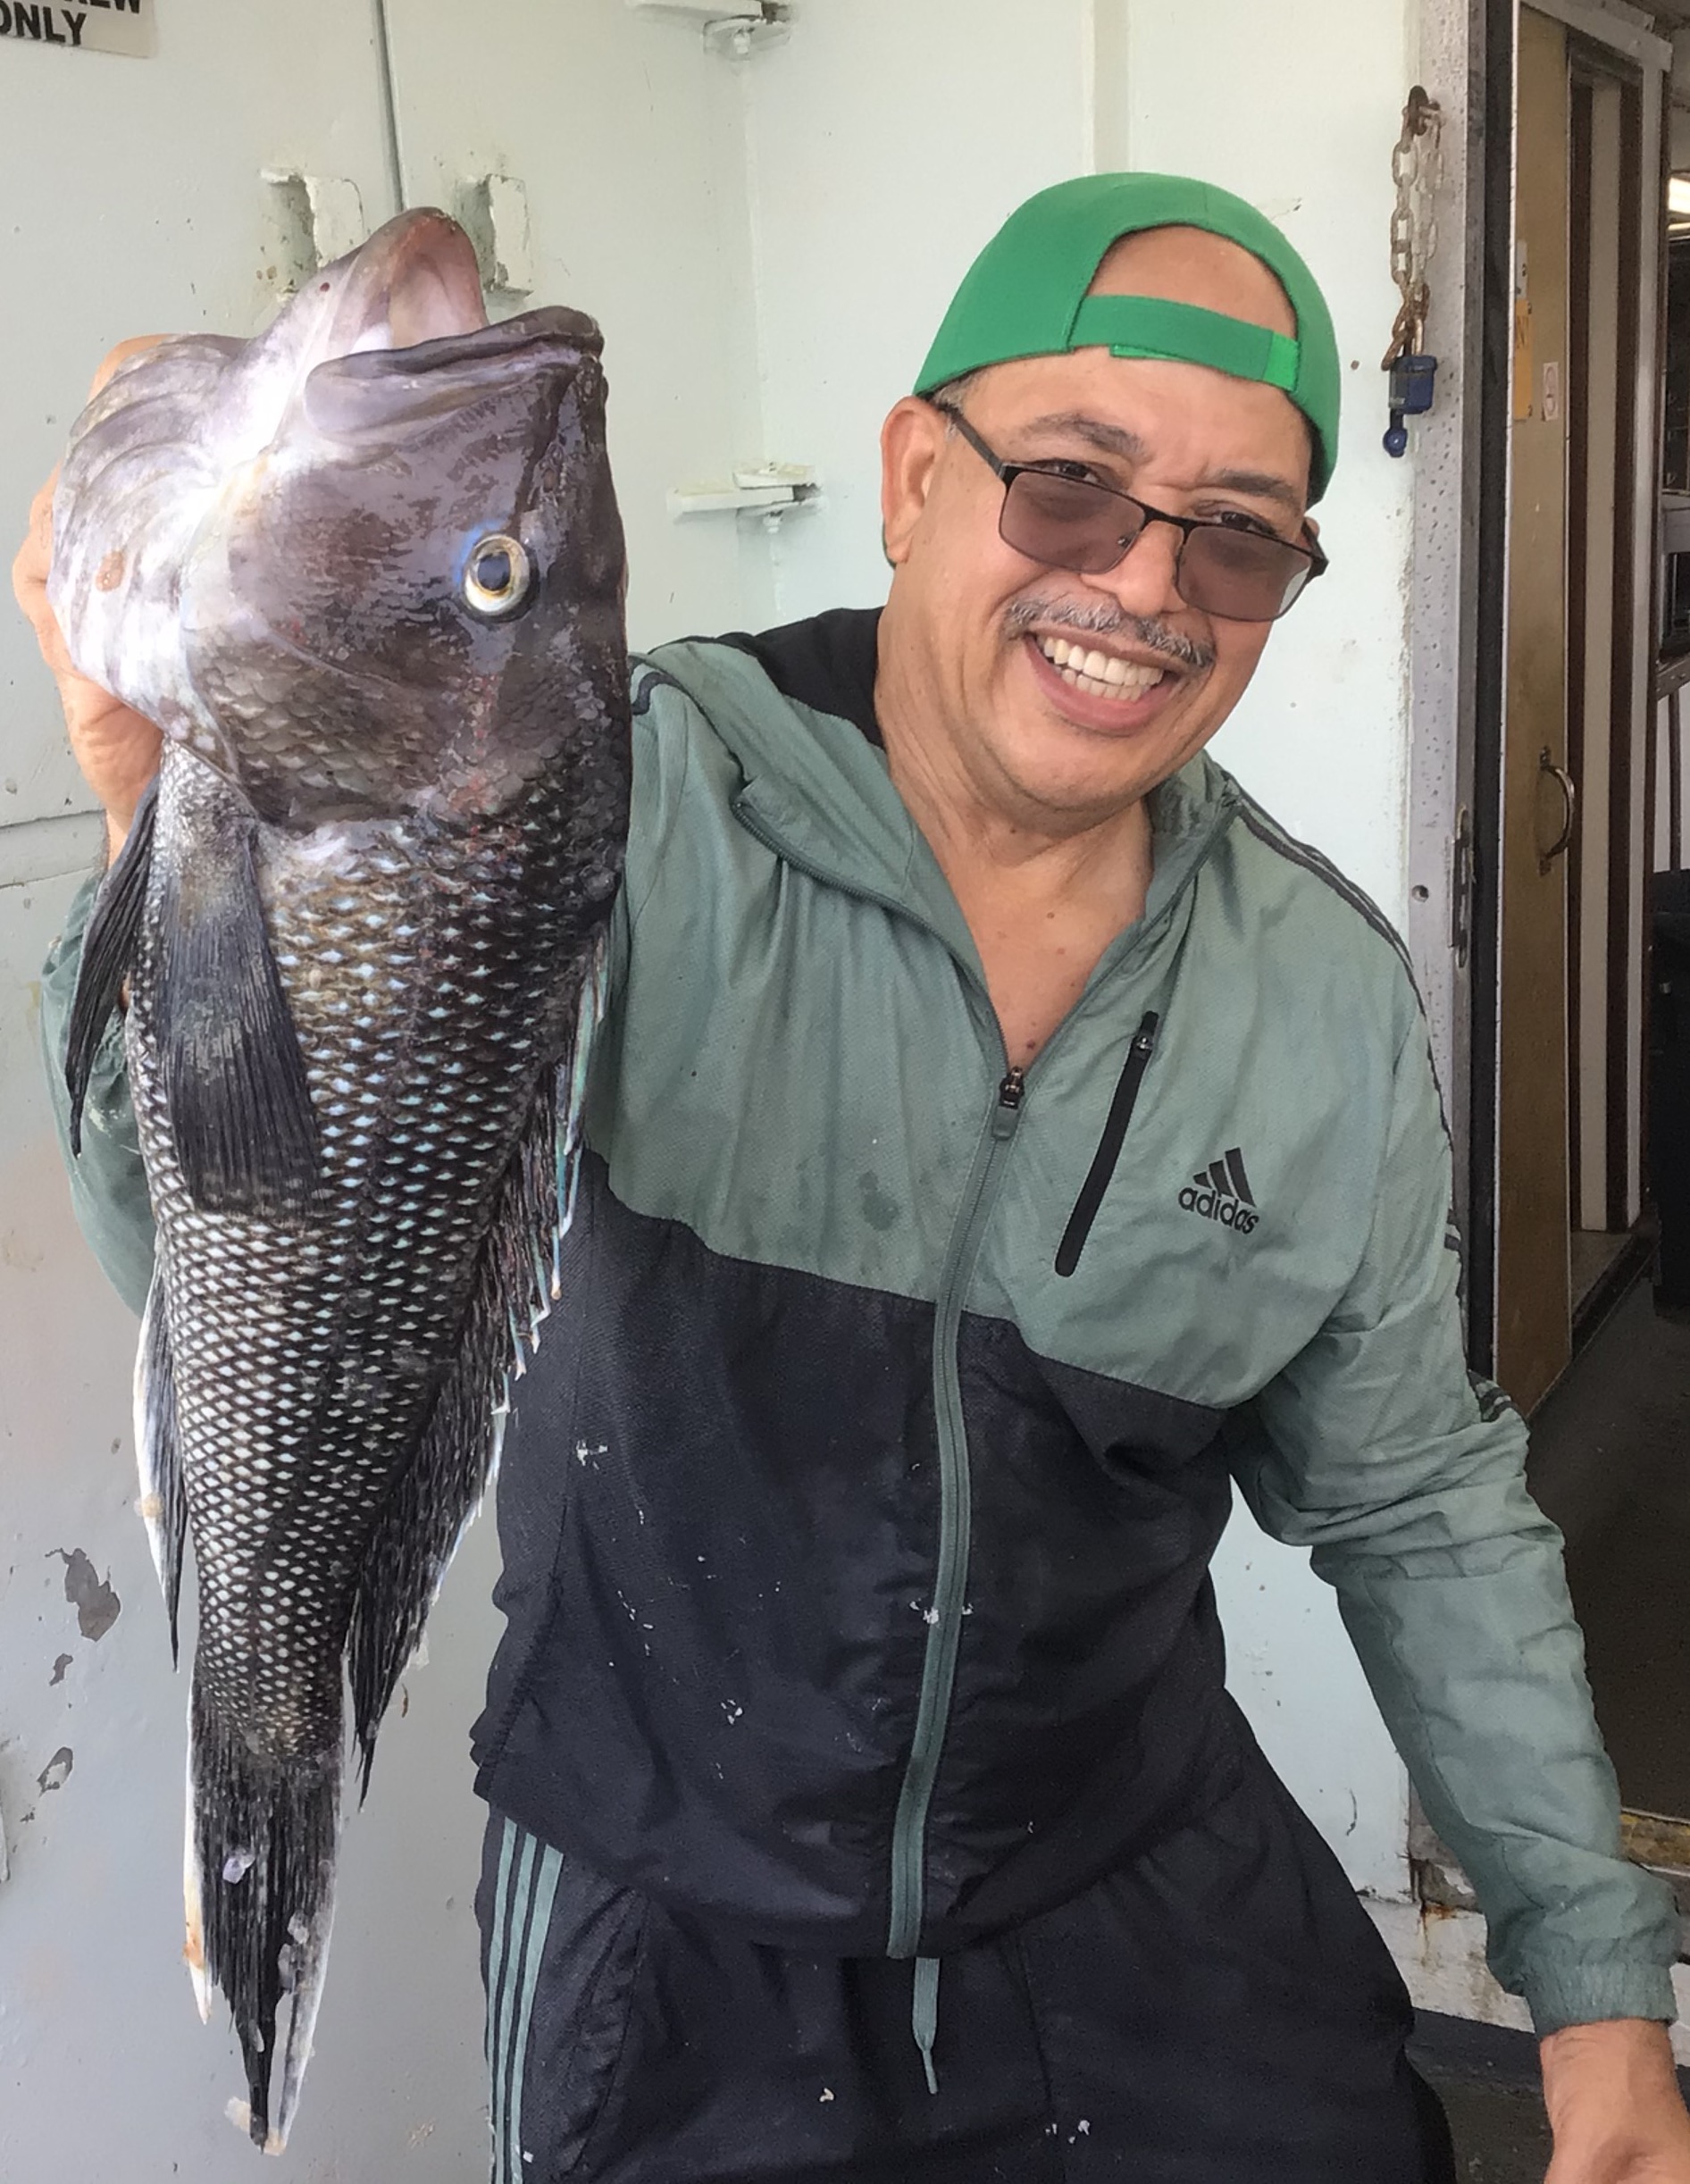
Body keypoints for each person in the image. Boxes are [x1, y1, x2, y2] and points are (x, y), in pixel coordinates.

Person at [14, 172, 1690, 2184]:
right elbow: (225, 1253)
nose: (1145, 582)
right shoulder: (604, 808)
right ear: (911, 475)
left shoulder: (1316, 993)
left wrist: (1598, 1988)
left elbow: (1414, 1498)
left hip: (1124, 1862)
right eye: (1071, 483)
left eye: (1238, 538)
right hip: (661, 1916)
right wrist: (161, 826)